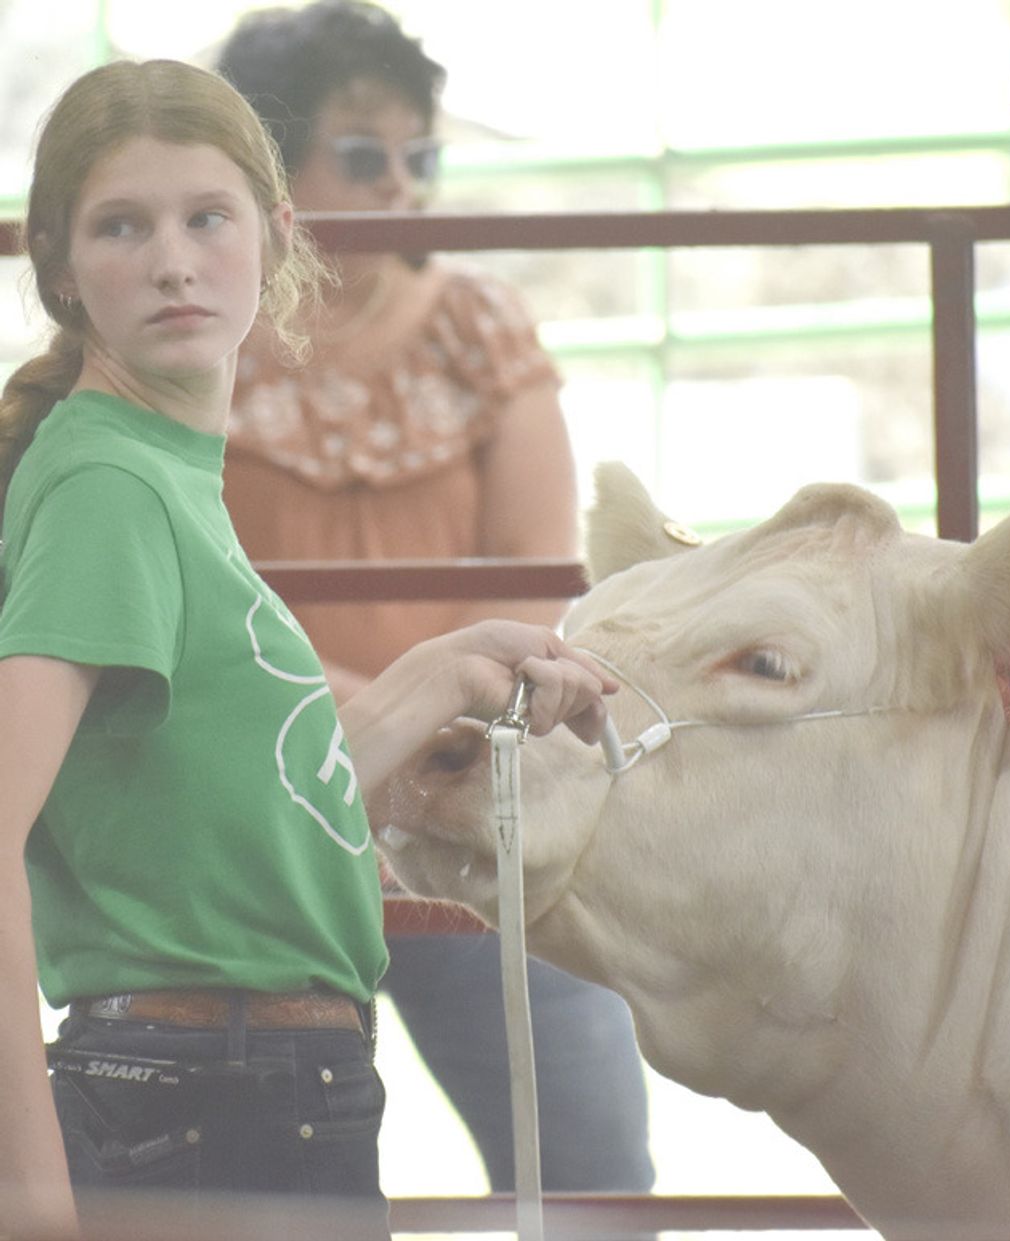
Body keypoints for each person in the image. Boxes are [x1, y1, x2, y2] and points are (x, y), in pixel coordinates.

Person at [0, 57, 616, 1236]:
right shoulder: (108, 484)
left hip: (249, 1089)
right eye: (122, 226)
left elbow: (242, 805)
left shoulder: (160, 472)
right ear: (62, 271)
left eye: (206, 217)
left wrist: (439, 673)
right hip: (197, 1096)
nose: (174, 260)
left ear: (274, 239)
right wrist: (32, 1203)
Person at [215, 0, 656, 1199]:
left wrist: (426, 730)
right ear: (272, 163)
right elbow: (209, 606)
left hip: (478, 805)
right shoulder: (199, 338)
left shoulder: (477, 323)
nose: (405, 184)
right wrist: (391, 717)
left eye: (424, 155)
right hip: (281, 817)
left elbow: (530, 572)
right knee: (279, 1191)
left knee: (594, 1176)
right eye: (365, 154)